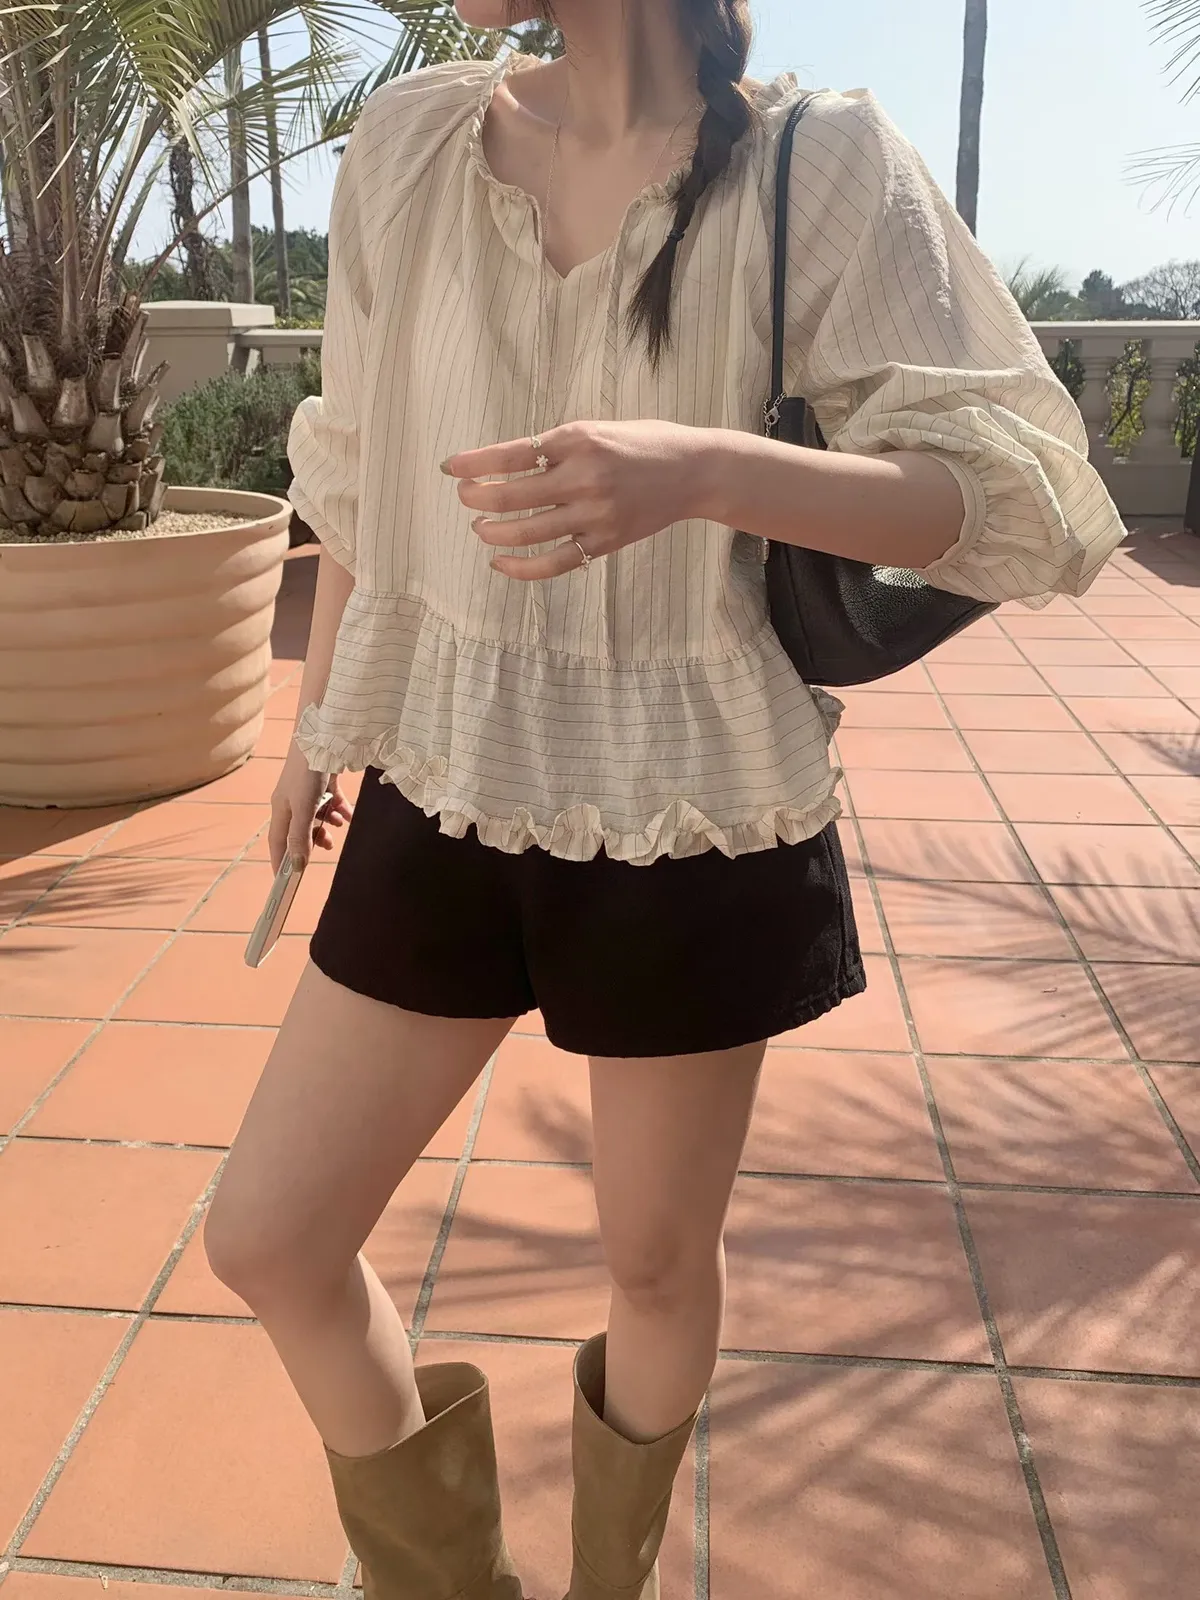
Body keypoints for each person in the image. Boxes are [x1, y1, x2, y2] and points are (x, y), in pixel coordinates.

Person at [203, 3, 1125, 1597]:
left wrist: (703, 471)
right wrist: (313, 728)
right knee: (270, 1236)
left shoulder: (817, 163)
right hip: (442, 768)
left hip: (695, 793)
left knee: (651, 1261)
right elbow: (356, 463)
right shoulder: (411, 143)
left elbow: (1015, 496)